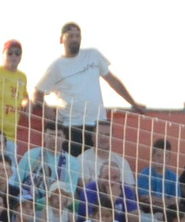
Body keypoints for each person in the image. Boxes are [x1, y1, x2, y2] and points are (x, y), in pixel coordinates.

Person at [29, 23, 142, 156]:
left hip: (97, 125)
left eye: (77, 36)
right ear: (62, 40)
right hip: (71, 126)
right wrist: (45, 108)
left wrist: (133, 103)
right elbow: (37, 93)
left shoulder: (93, 55)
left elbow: (112, 81)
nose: (75, 39)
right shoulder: (57, 66)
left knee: (96, 167)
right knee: (74, 168)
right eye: (70, 36)